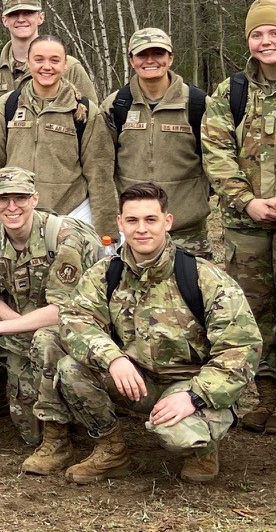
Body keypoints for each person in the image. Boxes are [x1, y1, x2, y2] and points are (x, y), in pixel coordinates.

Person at [46, 183, 261, 486]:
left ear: (167, 221)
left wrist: (195, 395)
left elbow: (242, 349)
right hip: (138, 380)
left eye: (151, 220)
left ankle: (202, 450)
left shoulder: (203, 278)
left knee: (180, 436)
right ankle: (112, 450)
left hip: (191, 384)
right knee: (71, 370)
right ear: (120, 223)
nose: (141, 229)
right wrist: (113, 359)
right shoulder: (107, 273)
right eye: (132, 221)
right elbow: (75, 320)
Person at [200, 0, 276, 434]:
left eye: (274, 32)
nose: (266, 41)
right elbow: (216, 152)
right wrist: (246, 200)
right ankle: (264, 392)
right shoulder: (231, 91)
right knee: (252, 311)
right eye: (257, 34)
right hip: (245, 226)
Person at [0, 168, 100, 471]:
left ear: (35, 199)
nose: (12, 207)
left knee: (46, 338)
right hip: (24, 331)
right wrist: (17, 324)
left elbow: (62, 311)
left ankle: (60, 440)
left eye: (20, 198)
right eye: (3, 199)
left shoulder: (65, 237)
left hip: (80, 328)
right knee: (29, 432)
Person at [0, 34, 116, 226]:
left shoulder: (84, 112)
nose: (46, 67)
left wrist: (106, 231)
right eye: (39, 60)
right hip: (16, 216)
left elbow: (100, 174)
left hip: (70, 217)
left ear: (65, 65)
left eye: (54, 60)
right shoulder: (6, 107)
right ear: (29, 63)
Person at [108, 27, 212, 254]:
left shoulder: (197, 103)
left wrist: (195, 200)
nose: (150, 61)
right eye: (142, 55)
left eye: (158, 53)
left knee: (191, 288)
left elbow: (215, 161)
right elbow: (103, 163)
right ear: (131, 60)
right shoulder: (117, 105)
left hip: (187, 231)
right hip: (135, 231)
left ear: (171, 58)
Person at [0, 0, 98, 103]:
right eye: (14, 14)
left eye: (28, 13)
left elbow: (91, 117)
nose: (21, 19)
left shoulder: (70, 67)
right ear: (4, 20)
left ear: (41, 18)